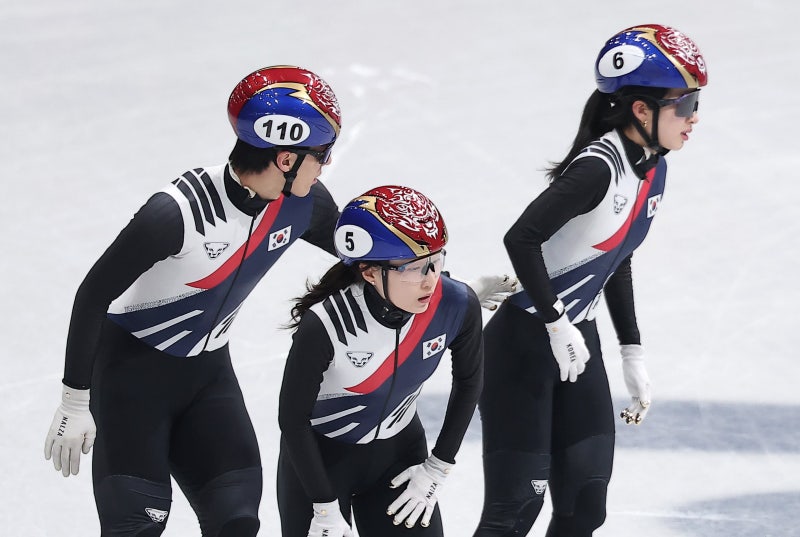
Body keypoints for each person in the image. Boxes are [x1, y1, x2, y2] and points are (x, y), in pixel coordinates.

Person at [43, 65, 346, 537]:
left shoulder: (305, 203)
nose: (325, 165)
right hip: (131, 382)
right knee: (135, 528)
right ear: (286, 159)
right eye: (321, 154)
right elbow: (93, 294)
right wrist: (73, 400)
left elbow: (373, 257)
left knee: (239, 523)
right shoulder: (177, 212)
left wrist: (456, 291)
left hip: (208, 380)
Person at [472, 24, 708, 536]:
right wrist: (555, 323)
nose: (694, 118)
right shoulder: (598, 169)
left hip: (579, 340)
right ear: (641, 110)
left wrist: (631, 350)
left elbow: (616, 254)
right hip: (523, 346)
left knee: (585, 506)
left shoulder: (652, 167)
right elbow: (521, 238)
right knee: (514, 512)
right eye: (685, 105)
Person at [277, 185, 493, 537]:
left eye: (435, 263)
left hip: (399, 456)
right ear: (369, 272)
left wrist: (437, 467)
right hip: (319, 466)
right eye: (413, 268)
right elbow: (293, 419)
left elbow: (470, 382)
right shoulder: (326, 324)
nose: (430, 281)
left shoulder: (456, 304)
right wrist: (323, 507)